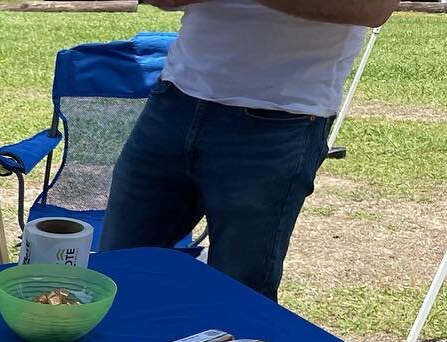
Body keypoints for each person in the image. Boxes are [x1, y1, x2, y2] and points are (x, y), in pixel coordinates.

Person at [99, 0, 396, 300]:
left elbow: (372, 9)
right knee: (114, 276)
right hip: (176, 98)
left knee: (238, 297)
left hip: (280, 120)